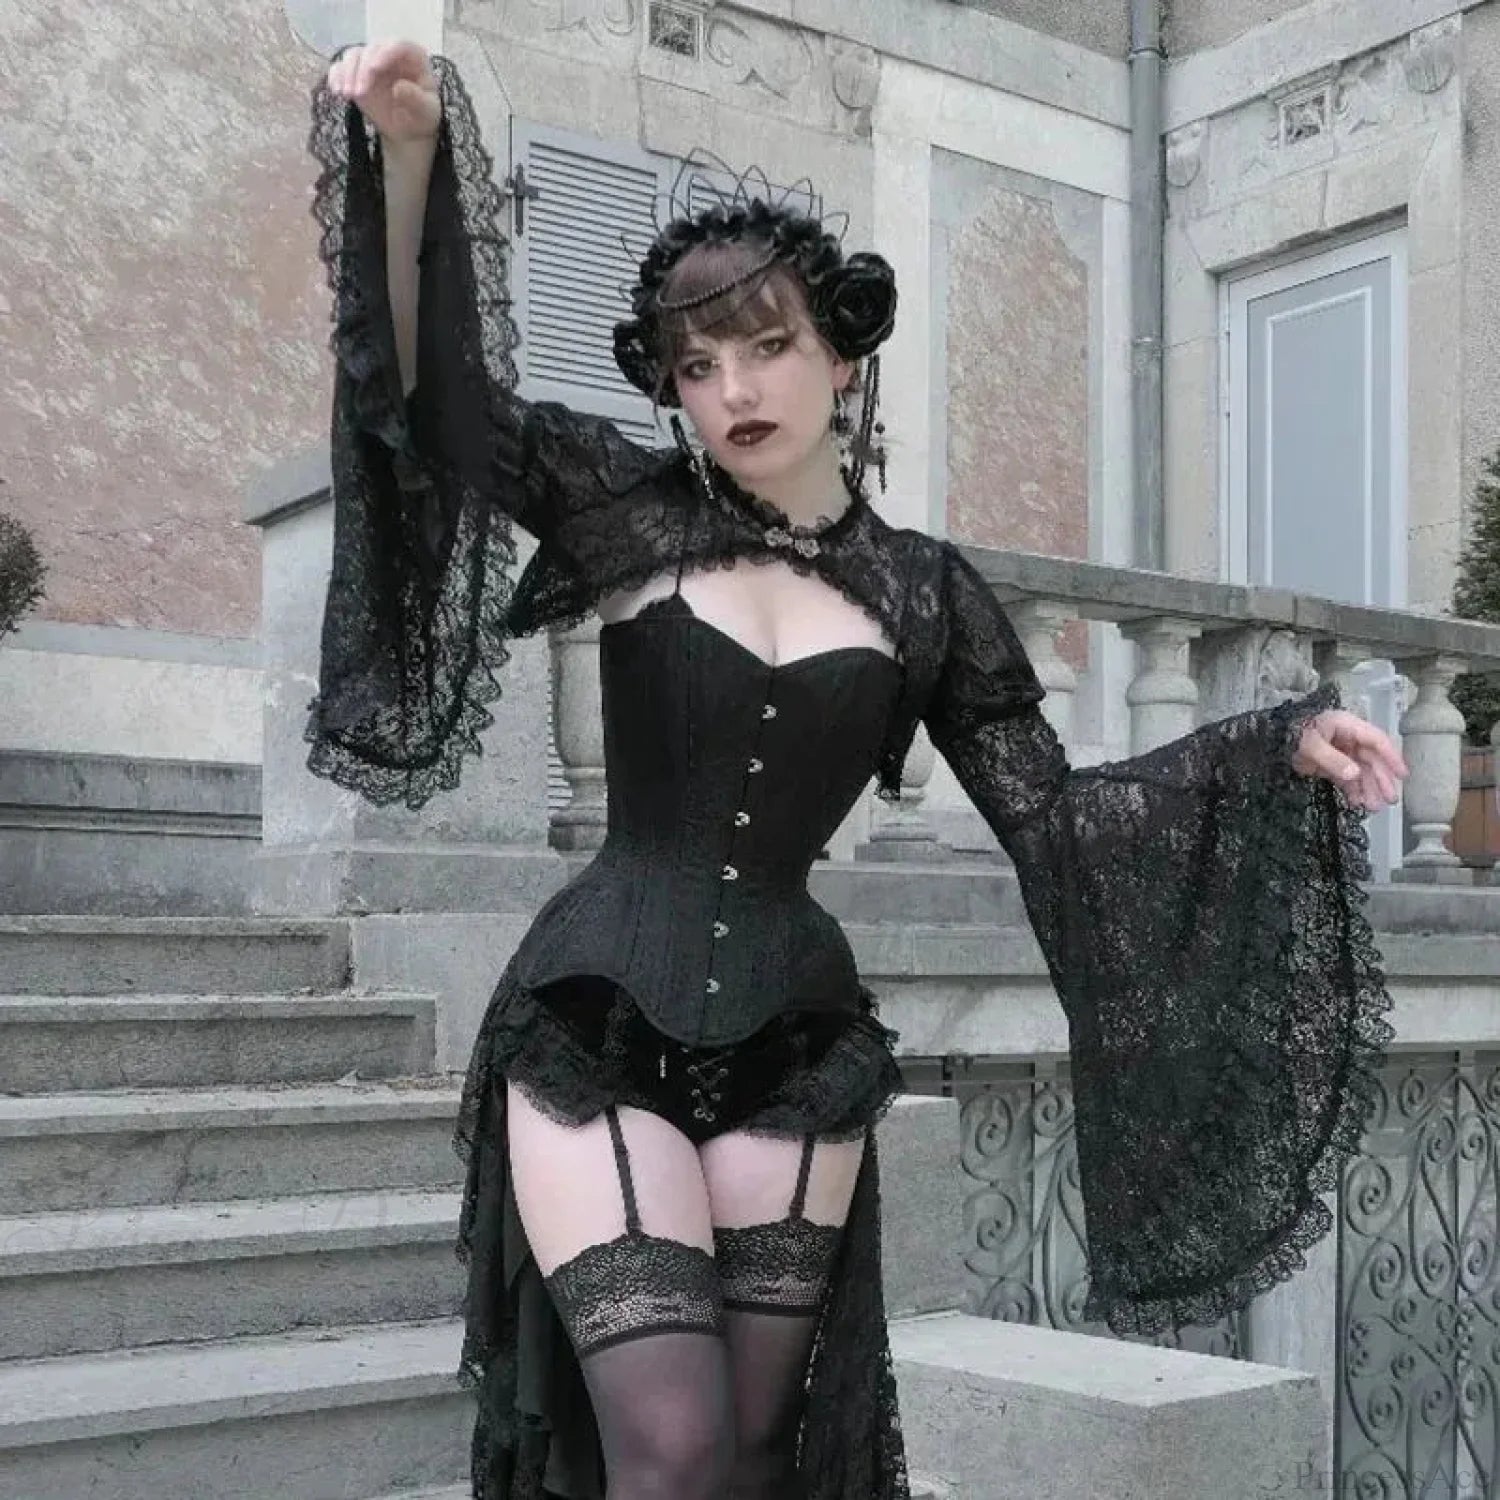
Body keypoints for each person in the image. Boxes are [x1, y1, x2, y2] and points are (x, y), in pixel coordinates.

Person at [306, 40, 1408, 1500]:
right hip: (594, 1021)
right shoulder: (623, 505)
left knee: (758, 1454)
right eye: (697, 366)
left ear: (840, 354)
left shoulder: (926, 594)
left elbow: (1057, 817)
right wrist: (406, 160)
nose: (734, 388)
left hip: (796, 1051)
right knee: (671, 1448)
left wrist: (1268, 748)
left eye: (765, 347)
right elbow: (430, 400)